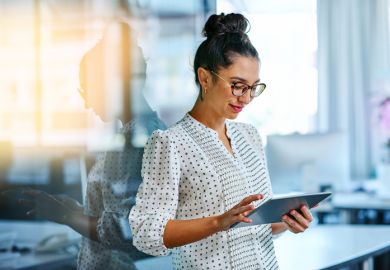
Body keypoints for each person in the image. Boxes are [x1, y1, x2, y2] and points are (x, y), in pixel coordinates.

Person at [129, 13, 314, 270]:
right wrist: (218, 222)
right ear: (205, 78)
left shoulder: (249, 137)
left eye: (253, 88)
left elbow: (257, 225)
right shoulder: (169, 143)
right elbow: (146, 232)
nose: (246, 98)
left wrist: (287, 221)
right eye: (238, 85)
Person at [20, 22, 166, 269]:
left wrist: (65, 216)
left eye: (88, 89)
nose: (87, 103)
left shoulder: (137, 141)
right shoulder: (140, 131)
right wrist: (76, 209)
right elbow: (117, 214)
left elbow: (124, 232)